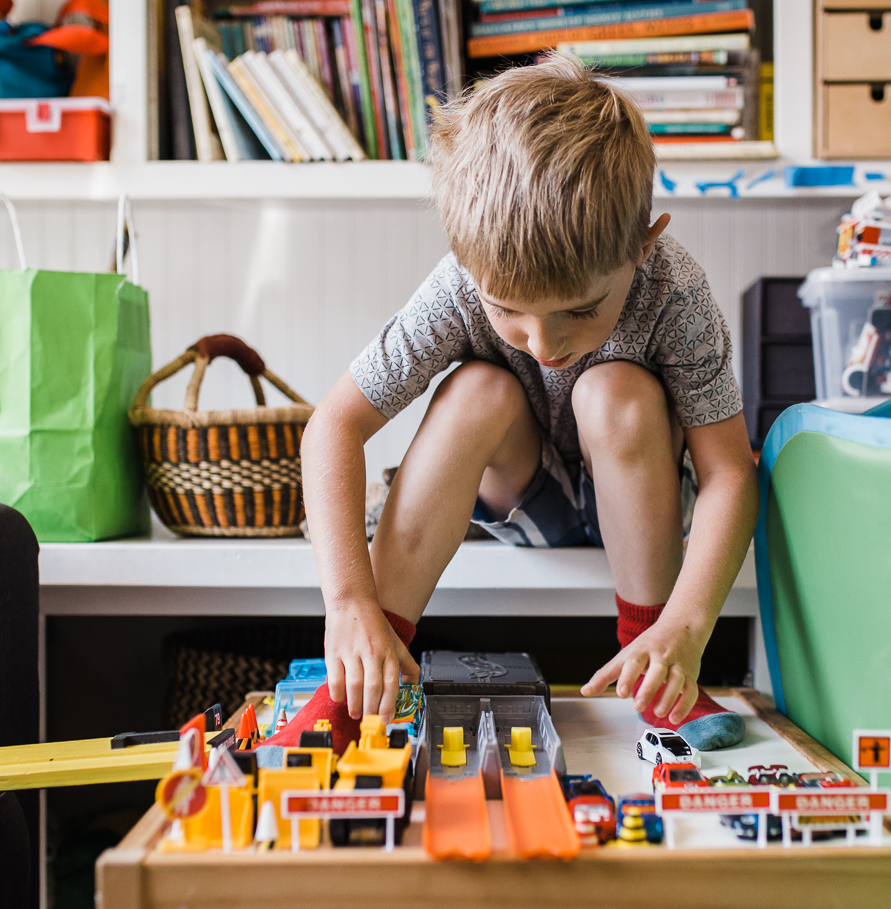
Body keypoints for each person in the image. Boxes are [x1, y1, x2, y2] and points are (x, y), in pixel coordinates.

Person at [291, 54, 758, 753]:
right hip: (521, 498)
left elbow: (729, 472)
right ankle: (364, 673)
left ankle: (659, 675)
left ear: (641, 246)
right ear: (467, 260)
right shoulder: (456, 284)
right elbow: (335, 424)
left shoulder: (675, 290)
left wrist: (685, 628)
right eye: (508, 310)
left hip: (644, 509)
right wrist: (349, 603)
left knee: (614, 390)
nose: (544, 342)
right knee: (476, 388)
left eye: (579, 310)